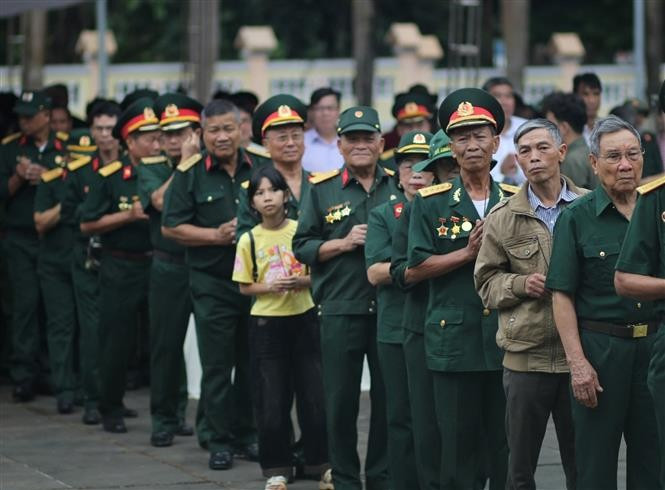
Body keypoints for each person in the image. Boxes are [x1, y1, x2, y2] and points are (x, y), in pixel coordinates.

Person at [407, 88, 517, 489]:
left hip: (508, 338)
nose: (472, 145)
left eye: (480, 135)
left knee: (506, 445)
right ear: (450, 148)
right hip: (453, 341)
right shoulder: (431, 203)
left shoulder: (514, 198)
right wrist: (467, 253)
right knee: (457, 446)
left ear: (496, 142)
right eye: (462, 138)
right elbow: (414, 268)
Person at [546, 115, 660, 489]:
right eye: (613, 157)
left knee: (655, 463)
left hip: (654, 351)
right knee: (594, 467)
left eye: (632, 154)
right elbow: (561, 295)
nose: (624, 165)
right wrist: (578, 365)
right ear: (594, 164)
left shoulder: (657, 209)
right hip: (601, 352)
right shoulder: (577, 218)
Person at [474, 118, 586, 490]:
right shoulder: (502, 218)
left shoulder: (590, 208)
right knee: (519, 470)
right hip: (526, 359)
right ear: (517, 160)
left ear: (561, 152)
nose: (534, 157)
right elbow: (486, 285)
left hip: (582, 358)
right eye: (524, 151)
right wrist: (521, 283)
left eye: (542, 148)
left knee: (583, 464)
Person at [293, 106, 400, 490]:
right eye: (351, 139)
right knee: (340, 403)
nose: (359, 145)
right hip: (340, 307)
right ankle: (344, 478)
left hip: (389, 308)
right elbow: (301, 246)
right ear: (338, 145)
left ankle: (382, 476)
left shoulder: (397, 186)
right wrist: (341, 243)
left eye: (367, 138)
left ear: (381, 143)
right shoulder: (321, 189)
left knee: (389, 400)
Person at [162, 99, 266, 470]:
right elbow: (171, 226)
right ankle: (218, 440)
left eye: (228, 129)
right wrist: (214, 235)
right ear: (201, 134)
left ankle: (248, 433)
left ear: (241, 129)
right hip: (212, 283)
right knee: (218, 364)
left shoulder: (261, 165)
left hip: (256, 283)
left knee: (253, 362)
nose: (221, 137)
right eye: (213, 130)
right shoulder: (190, 172)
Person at [233, 166, 331, 490]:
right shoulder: (248, 238)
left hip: (304, 317)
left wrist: (301, 281)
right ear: (252, 203)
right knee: (271, 399)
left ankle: (320, 464)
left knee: (314, 396)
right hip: (266, 325)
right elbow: (244, 286)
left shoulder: (300, 231)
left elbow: (319, 274)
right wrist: (269, 288)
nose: (267, 198)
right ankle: (277, 468)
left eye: (272, 191)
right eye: (259, 193)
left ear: (285, 195)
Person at [79, 97, 159, 434]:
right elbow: (87, 224)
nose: (156, 143)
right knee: (116, 340)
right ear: (130, 142)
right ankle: (109, 405)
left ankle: (169, 411)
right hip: (120, 265)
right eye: (148, 138)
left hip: (157, 264)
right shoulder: (110, 176)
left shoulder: (166, 171)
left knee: (161, 340)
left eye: (158, 136)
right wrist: (126, 216)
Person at [366, 130, 433, 490]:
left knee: (435, 414)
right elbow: (375, 272)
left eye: (424, 165)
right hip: (394, 326)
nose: (416, 172)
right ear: (397, 172)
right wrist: (421, 268)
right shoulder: (384, 214)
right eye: (408, 165)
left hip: (438, 325)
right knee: (400, 414)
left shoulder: (444, 208)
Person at [389, 129, 455, 490]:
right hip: (423, 322)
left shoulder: (501, 201)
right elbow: (401, 271)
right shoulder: (419, 207)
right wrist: (456, 258)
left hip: (481, 327)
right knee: (427, 423)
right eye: (444, 167)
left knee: (476, 424)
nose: (452, 173)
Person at [137, 93, 202, 447]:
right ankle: (165, 418)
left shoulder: (210, 165)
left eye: (182, 132)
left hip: (207, 266)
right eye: (168, 133)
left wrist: (194, 161)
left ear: (196, 132)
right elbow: (160, 201)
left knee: (217, 350)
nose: (174, 140)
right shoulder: (151, 167)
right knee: (166, 345)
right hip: (168, 266)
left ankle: (215, 424)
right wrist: (184, 163)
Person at [0, 90, 67, 402]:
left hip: (55, 239)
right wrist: (19, 176)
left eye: (30, 115)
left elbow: (78, 189)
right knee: (24, 306)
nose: (23, 121)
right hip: (20, 238)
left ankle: (55, 372)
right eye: (21, 116)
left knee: (56, 309)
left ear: (46, 115)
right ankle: (24, 374)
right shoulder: (10, 149)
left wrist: (51, 177)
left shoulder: (66, 147)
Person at [61, 101, 121, 425]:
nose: (103, 135)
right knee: (93, 329)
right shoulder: (81, 171)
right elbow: (71, 216)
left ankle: (114, 397)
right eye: (97, 128)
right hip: (88, 256)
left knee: (120, 330)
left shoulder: (131, 166)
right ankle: (93, 399)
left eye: (110, 129)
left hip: (125, 257)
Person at [33, 137, 80, 415]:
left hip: (85, 263)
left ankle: (89, 389)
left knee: (90, 328)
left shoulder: (95, 178)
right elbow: (40, 222)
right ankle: (64, 388)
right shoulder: (52, 180)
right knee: (61, 327)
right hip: (55, 263)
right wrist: (68, 204)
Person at [237, 94, 310, 237]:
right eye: (282, 137)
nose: (290, 143)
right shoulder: (252, 189)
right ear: (266, 145)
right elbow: (246, 239)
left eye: (296, 136)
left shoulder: (321, 185)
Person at [542, 92, 598, 189]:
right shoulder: (589, 152)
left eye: (549, 126)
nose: (545, 130)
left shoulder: (571, 160)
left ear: (563, 127)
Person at [482, 77, 528, 186]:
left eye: (508, 96)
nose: (504, 102)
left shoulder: (527, 128)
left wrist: (515, 173)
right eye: (497, 96)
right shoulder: (478, 133)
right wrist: (503, 175)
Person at [379, 92, 435, 171]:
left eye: (420, 124)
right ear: (399, 129)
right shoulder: (386, 161)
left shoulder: (440, 156)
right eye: (408, 126)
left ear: (429, 125)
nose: (415, 130)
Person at [301, 87, 344, 172]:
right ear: (312, 111)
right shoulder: (301, 142)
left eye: (330, 108)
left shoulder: (348, 141)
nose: (325, 113)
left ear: (338, 110)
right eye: (319, 108)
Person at [573, 73, 602, 145]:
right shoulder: (569, 130)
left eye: (596, 94)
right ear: (575, 96)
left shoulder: (606, 128)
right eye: (585, 94)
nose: (591, 100)